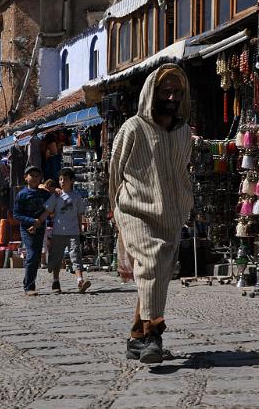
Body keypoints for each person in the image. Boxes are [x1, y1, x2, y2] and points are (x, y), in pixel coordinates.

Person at [109, 64, 193, 364]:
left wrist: (185, 204)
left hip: (171, 213)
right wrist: (113, 209)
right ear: (152, 93)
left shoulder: (184, 133)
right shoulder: (133, 127)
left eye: (177, 92)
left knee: (155, 276)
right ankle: (153, 335)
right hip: (134, 210)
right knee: (153, 261)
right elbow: (114, 170)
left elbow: (182, 170)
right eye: (165, 91)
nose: (171, 97)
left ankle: (136, 337)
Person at [36, 167, 91, 294]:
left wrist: (80, 230)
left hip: (73, 233)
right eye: (60, 179)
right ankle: (56, 281)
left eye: (65, 179)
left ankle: (80, 281)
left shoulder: (77, 197)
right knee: (56, 257)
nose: (62, 182)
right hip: (58, 232)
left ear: (71, 181)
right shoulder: (56, 196)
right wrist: (38, 222)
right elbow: (47, 210)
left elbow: (79, 215)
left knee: (76, 256)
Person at [13, 166, 52, 296]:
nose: (34, 178)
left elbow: (53, 201)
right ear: (26, 178)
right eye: (32, 175)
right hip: (26, 229)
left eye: (37, 175)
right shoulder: (22, 194)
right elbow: (16, 214)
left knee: (36, 257)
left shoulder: (44, 193)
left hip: (40, 228)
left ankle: (29, 283)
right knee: (32, 254)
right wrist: (31, 221)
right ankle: (29, 286)